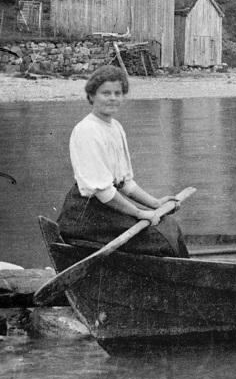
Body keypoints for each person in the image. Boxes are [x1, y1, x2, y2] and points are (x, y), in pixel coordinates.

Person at [56, 65, 186, 256]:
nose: (112, 98)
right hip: (84, 216)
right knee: (159, 238)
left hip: (106, 208)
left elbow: (124, 183)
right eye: (105, 93)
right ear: (91, 96)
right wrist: (140, 213)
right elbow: (103, 191)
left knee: (170, 225)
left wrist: (155, 204)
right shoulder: (87, 131)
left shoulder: (115, 127)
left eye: (118, 93)